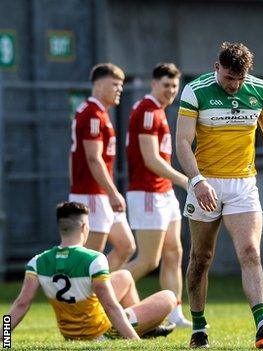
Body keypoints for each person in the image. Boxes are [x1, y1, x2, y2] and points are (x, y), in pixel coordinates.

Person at [176, 42, 263, 348]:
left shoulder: (260, 90)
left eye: (239, 79)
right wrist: (197, 181)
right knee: (201, 258)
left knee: (251, 252)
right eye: (228, 78)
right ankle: (199, 327)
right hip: (206, 183)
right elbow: (183, 143)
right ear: (217, 67)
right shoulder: (195, 91)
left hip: (243, 184)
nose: (234, 85)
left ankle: (262, 325)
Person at [7, 202, 177, 341]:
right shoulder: (94, 259)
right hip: (99, 334)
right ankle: (140, 331)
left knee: (125, 276)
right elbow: (110, 306)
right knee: (169, 297)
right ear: (84, 227)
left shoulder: (38, 261)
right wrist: (135, 342)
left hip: (70, 334)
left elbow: (21, 303)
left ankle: (144, 329)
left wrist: (4, 337)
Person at [123, 62, 191, 328]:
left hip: (163, 191)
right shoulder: (147, 110)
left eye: (175, 86)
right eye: (166, 85)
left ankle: (175, 314)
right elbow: (151, 159)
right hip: (147, 192)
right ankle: (102, 295)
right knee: (148, 259)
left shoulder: (159, 111)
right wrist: (185, 180)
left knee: (174, 252)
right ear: (153, 84)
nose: (171, 91)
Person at [69, 63, 135, 271]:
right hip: (92, 194)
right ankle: (81, 299)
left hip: (99, 193)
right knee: (90, 258)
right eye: (115, 84)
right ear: (98, 86)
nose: (120, 89)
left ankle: (101, 292)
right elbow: (93, 159)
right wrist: (113, 193)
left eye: (121, 85)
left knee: (126, 246)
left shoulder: (99, 113)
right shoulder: (92, 114)